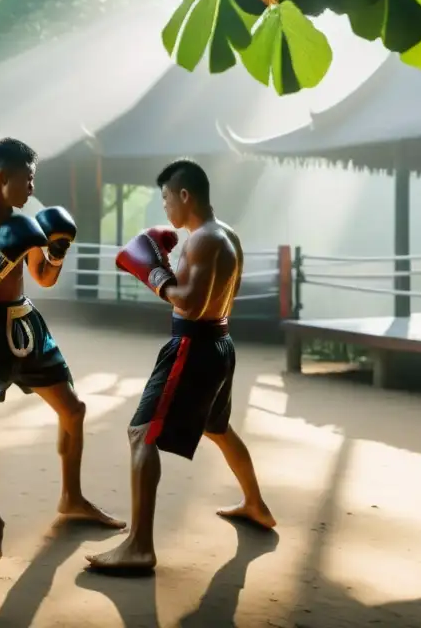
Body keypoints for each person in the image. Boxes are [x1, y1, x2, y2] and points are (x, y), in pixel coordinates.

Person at [86, 158, 275, 573]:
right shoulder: (228, 235)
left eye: (167, 197)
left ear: (185, 195)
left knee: (141, 433)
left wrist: (153, 273)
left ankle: (139, 545)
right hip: (220, 342)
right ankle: (256, 504)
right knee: (218, 428)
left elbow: (188, 301)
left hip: (193, 345)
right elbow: (226, 294)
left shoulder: (201, 241)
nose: (165, 206)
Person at [0, 137, 124, 563]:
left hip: (26, 324)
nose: (31, 188)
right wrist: (5, 254)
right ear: (3, 177)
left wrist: (56, 250)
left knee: (73, 410)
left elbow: (43, 277)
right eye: (28, 179)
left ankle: (72, 497)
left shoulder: (26, 221)